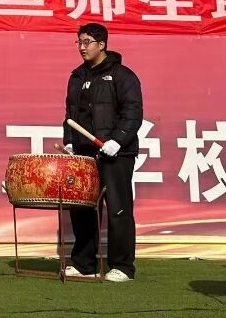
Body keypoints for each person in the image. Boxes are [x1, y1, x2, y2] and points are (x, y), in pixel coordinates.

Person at [61, 22, 142, 283]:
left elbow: (133, 112)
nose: (82, 48)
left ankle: (123, 267)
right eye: (79, 42)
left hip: (116, 154)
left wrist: (118, 140)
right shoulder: (76, 76)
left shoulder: (122, 75)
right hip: (84, 154)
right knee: (82, 208)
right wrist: (70, 142)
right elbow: (70, 115)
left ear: (102, 44)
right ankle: (85, 264)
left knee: (118, 209)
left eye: (87, 42)